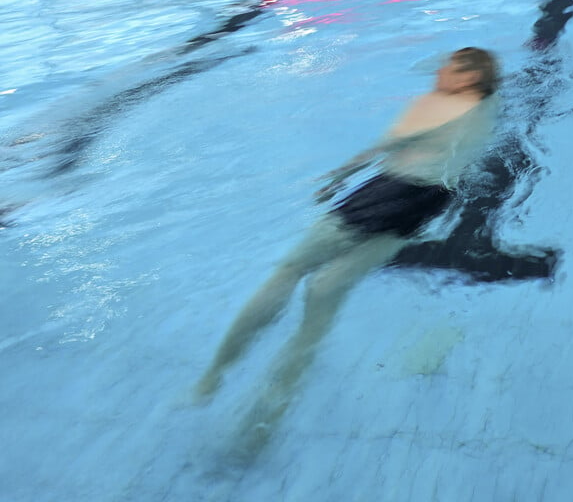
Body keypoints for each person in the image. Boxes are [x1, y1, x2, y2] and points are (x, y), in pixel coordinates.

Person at [194, 48, 500, 451]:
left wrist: (339, 176)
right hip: (424, 207)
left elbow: (384, 147)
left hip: (390, 193)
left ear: (467, 79)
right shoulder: (485, 111)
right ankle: (262, 426)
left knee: (290, 270)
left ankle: (213, 375)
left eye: (448, 66)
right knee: (323, 300)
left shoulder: (438, 104)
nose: (439, 70)